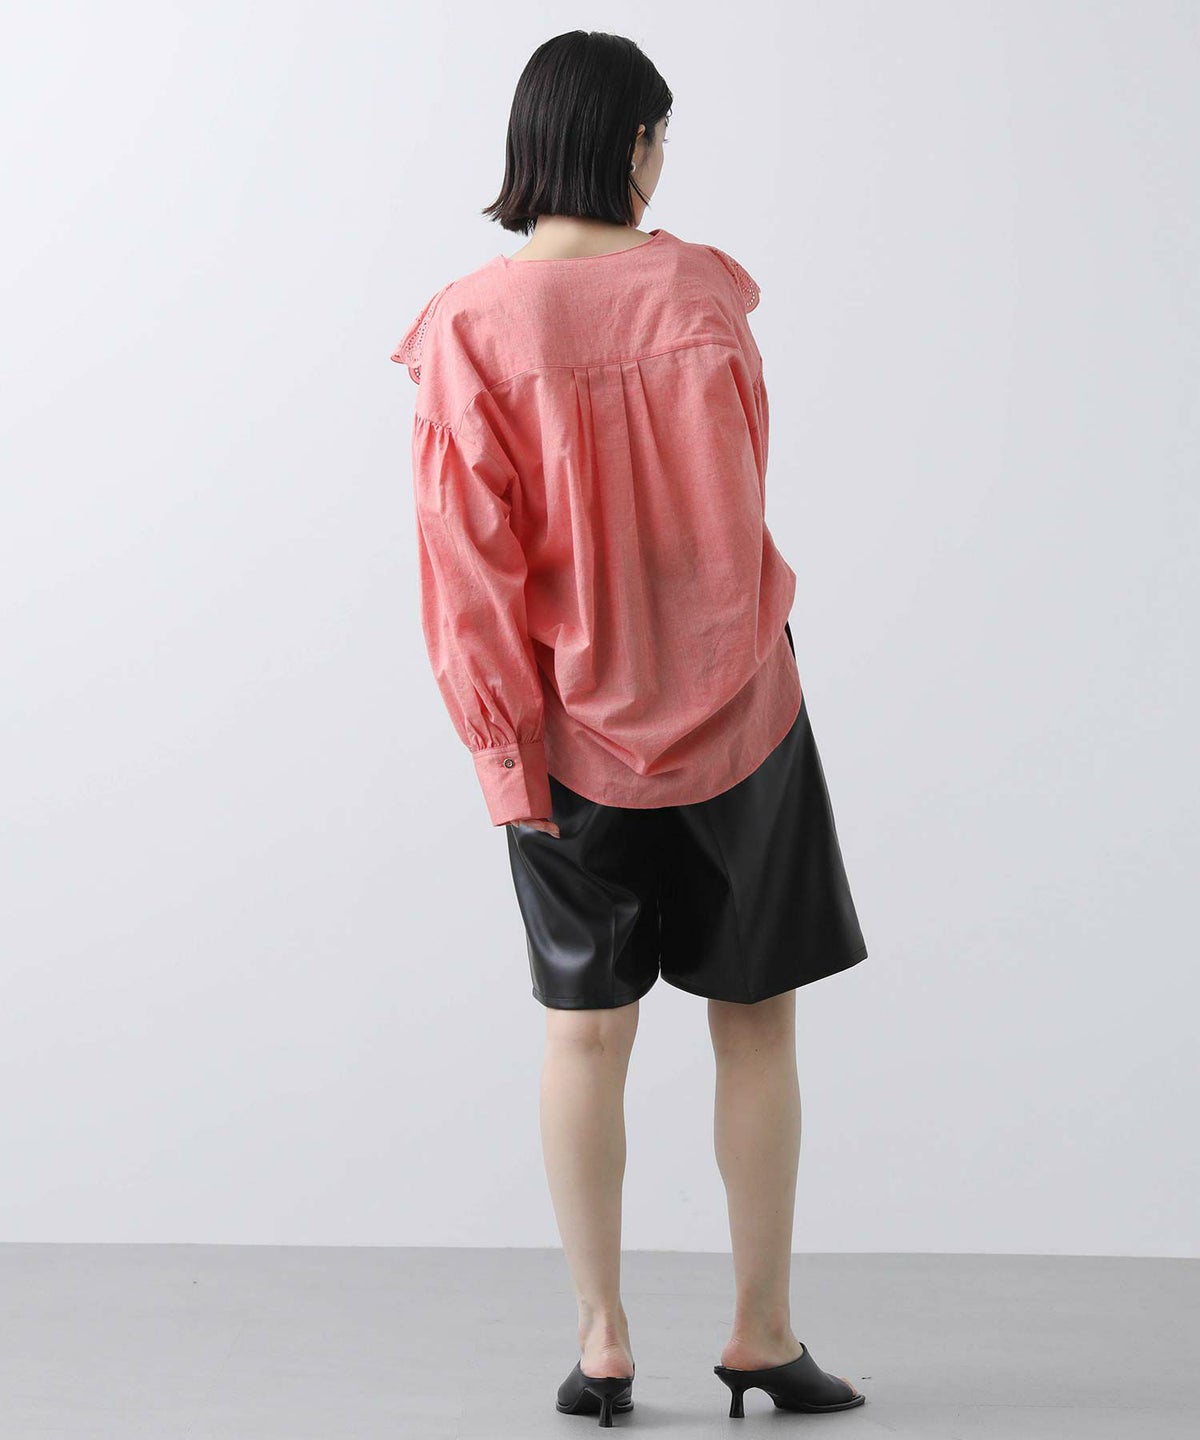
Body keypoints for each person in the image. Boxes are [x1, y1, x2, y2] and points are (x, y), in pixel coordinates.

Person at [391, 29, 869, 1427]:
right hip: (743, 719)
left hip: (566, 745)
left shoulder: (468, 328)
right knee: (756, 1026)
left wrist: (506, 757)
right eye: (661, 138)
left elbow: (465, 575)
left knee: (583, 1040)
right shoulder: (704, 294)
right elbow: (742, 488)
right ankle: (762, 1334)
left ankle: (601, 1344)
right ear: (635, 144)